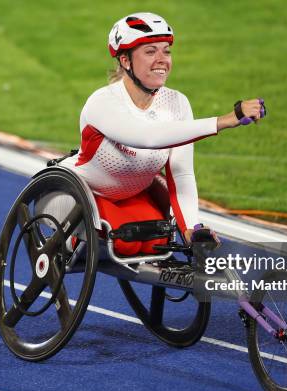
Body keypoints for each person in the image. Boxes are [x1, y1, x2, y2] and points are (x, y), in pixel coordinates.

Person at [60, 12, 266, 256]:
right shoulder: (102, 101)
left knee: (155, 243)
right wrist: (224, 121)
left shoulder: (177, 103)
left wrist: (191, 228)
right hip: (77, 197)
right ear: (125, 61)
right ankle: (70, 243)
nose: (162, 60)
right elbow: (148, 137)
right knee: (125, 243)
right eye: (150, 52)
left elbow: (181, 173)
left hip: (131, 197)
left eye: (166, 51)